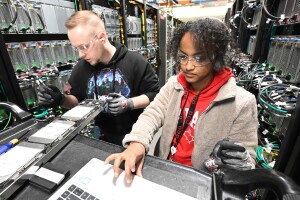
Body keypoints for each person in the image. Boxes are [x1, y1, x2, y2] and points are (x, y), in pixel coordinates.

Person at [104, 18, 258, 183]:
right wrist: (137, 143)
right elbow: (152, 114)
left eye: (199, 58)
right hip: (165, 169)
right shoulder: (174, 85)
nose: (188, 66)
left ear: (217, 57)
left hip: (201, 182)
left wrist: (240, 162)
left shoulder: (241, 102)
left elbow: (246, 155)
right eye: (183, 57)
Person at [37, 10, 160, 145]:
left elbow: (154, 95)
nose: (81, 54)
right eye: (76, 48)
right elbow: (76, 100)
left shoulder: (136, 62)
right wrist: (59, 99)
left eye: (84, 46)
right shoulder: (81, 68)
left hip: (135, 138)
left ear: (102, 37)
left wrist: (129, 103)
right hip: (102, 138)